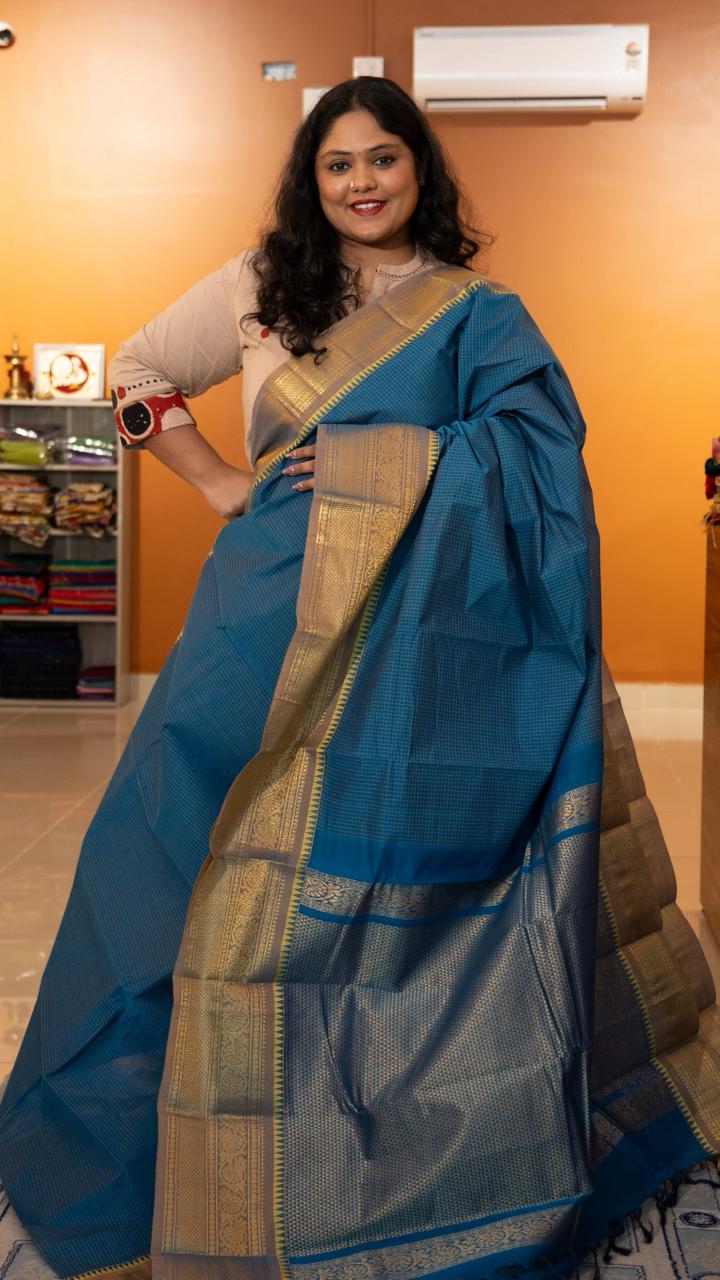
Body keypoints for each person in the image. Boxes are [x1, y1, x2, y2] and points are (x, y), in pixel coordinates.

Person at [0, 75, 718, 1280]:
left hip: (411, 646)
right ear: (312, 179)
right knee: (169, 851)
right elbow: (136, 373)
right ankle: (140, 1150)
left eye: (384, 157)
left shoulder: (475, 310)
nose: (363, 182)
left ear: (418, 167)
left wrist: (379, 461)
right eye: (339, 164)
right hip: (260, 618)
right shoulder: (258, 283)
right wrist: (223, 482)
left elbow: (538, 458)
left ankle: (359, 1164)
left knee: (375, 890)